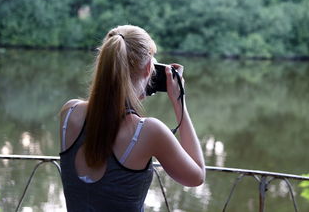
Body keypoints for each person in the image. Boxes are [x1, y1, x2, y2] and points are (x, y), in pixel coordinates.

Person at [59, 25, 205, 212]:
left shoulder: (69, 113)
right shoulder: (149, 131)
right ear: (148, 70)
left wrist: (130, 94)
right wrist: (179, 102)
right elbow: (197, 176)